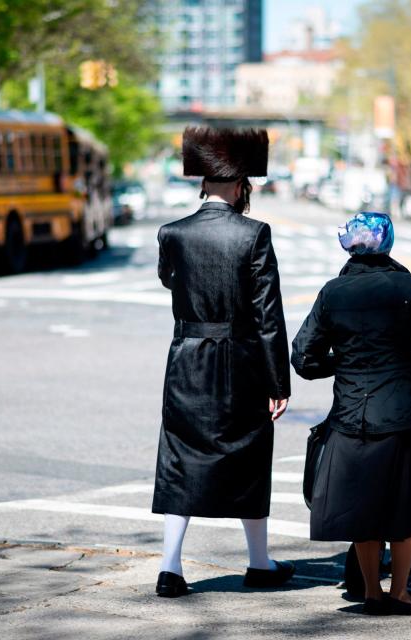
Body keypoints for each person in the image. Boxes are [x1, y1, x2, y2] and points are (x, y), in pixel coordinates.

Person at [291, 212, 411, 616]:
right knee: (407, 506)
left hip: (351, 417)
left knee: (363, 508)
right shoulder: (408, 287)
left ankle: (372, 593)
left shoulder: (331, 293)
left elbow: (303, 359)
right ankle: (402, 592)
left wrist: (342, 364)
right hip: (403, 415)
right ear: (388, 243)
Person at [152, 126, 293, 598]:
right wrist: (279, 381)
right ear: (239, 185)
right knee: (249, 456)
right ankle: (259, 562)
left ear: (203, 183)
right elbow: (268, 314)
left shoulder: (171, 233)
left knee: (180, 456)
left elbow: (171, 283)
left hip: (187, 358)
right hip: (242, 361)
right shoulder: (254, 234)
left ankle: (170, 567)